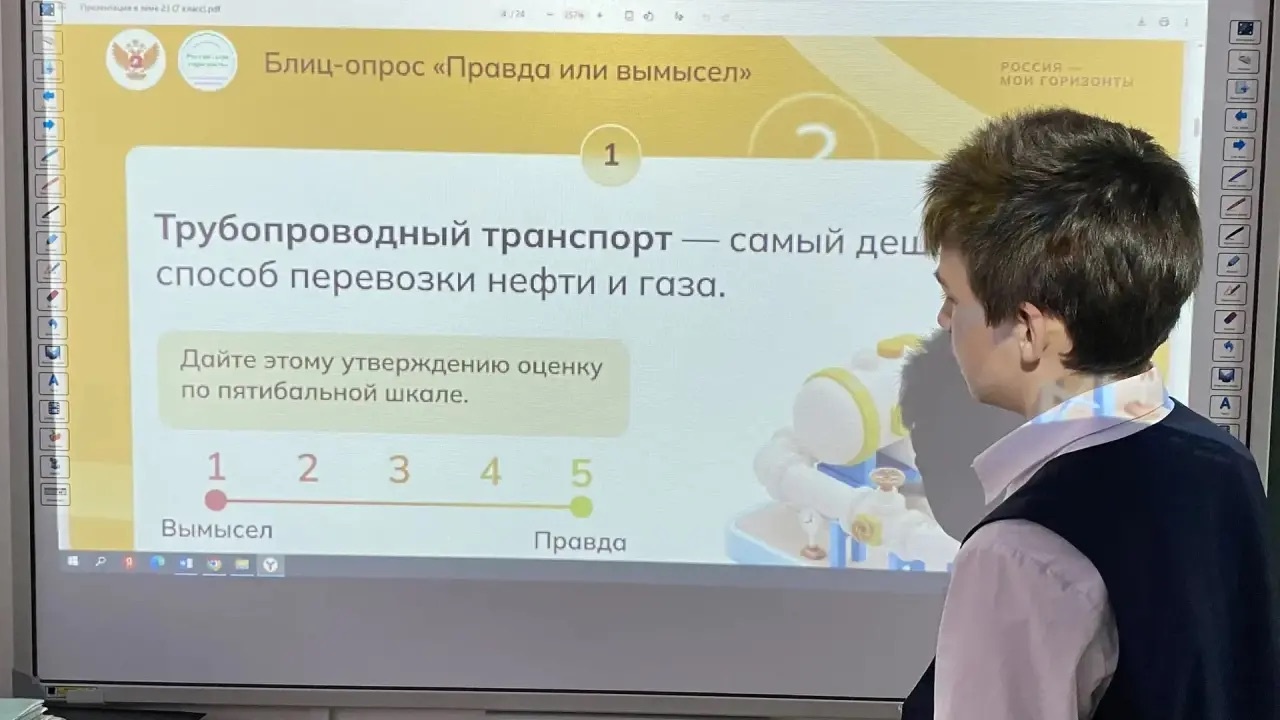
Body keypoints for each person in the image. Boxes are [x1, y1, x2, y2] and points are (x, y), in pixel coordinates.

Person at [899, 107, 1280, 720]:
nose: (944, 321)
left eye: (953, 298)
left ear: (1029, 330)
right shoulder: (1221, 460)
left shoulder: (1023, 550)